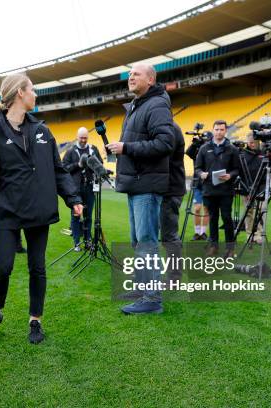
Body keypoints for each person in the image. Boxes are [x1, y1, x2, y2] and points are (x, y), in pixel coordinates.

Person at [0, 73, 83, 344]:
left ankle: (36, 321)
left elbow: (58, 172)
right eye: (32, 90)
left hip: (38, 212)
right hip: (7, 212)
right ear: (20, 94)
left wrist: (73, 198)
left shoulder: (43, 131)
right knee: (4, 266)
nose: (36, 94)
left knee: (37, 267)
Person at [106, 63, 175, 315]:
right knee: (138, 242)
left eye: (136, 74)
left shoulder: (156, 105)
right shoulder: (138, 105)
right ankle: (141, 288)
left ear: (151, 79)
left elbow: (165, 142)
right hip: (137, 182)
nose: (130, 77)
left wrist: (127, 148)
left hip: (146, 184)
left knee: (147, 242)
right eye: (129, 74)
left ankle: (152, 299)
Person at [194, 120, 239, 258]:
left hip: (226, 190)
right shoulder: (204, 148)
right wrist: (201, 174)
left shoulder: (232, 149)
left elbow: (237, 169)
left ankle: (230, 248)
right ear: (213, 130)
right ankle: (213, 246)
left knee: (227, 219)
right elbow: (197, 168)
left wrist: (230, 175)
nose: (219, 132)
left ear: (225, 131)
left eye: (221, 129)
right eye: (216, 129)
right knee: (212, 218)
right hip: (209, 190)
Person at [62, 126, 103, 250]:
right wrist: (78, 165)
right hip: (76, 189)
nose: (84, 140)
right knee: (75, 215)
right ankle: (76, 242)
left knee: (88, 216)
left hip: (90, 188)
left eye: (85, 137)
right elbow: (64, 169)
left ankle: (87, 240)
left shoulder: (93, 149)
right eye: (81, 138)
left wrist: (94, 166)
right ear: (77, 137)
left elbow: (100, 164)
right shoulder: (70, 151)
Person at [161, 122, 186, 283]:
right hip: (169, 188)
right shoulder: (172, 128)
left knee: (169, 236)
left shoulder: (171, 129)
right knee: (168, 236)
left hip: (170, 190)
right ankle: (173, 276)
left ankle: (174, 278)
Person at [239, 133, 264, 244]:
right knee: (248, 212)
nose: (252, 144)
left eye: (254, 142)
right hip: (246, 187)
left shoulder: (263, 154)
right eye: (250, 142)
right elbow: (241, 172)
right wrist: (246, 188)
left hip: (260, 187)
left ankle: (258, 234)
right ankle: (250, 235)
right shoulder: (243, 154)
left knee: (259, 211)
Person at [185, 133, 210, 240]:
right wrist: (194, 144)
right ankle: (197, 232)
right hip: (197, 183)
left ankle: (203, 232)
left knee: (206, 209)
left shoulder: (210, 150)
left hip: (208, 183)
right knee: (197, 208)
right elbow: (188, 152)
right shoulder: (197, 150)